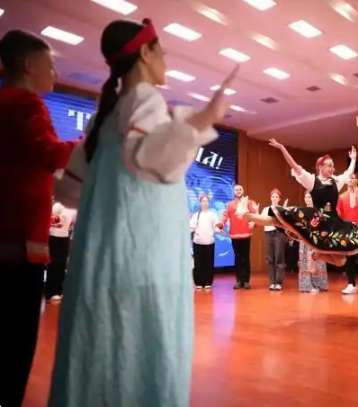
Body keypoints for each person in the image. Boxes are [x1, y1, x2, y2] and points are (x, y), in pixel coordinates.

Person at [48, 19, 237, 407]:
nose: (165, 59)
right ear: (146, 54)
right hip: (142, 264)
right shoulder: (145, 99)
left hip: (100, 265)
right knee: (140, 355)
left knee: (98, 354)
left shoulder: (105, 118)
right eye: (162, 51)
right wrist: (205, 117)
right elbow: (152, 157)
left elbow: (69, 189)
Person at [0, 29, 76, 407]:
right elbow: (51, 154)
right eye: (51, 65)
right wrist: (94, 143)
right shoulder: (26, 104)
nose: (55, 73)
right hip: (19, 243)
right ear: (29, 65)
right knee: (17, 337)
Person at [241, 139, 358, 267]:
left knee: (341, 262)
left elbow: (348, 173)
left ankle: (317, 255)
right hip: (315, 220)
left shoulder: (336, 182)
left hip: (332, 224)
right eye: (329, 165)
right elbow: (295, 166)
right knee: (276, 220)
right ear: (320, 167)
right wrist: (281, 148)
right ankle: (246, 214)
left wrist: (353, 159)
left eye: (333, 166)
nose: (333, 168)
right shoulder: (312, 180)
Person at [217, 184, 257, 289]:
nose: (238, 191)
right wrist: (221, 223)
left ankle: (246, 281)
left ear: (242, 191)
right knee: (238, 258)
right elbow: (225, 216)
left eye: (240, 189)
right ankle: (239, 280)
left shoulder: (248, 202)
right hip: (234, 234)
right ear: (234, 192)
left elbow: (254, 215)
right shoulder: (230, 204)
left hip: (246, 233)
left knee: (245, 258)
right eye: (236, 190)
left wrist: (253, 223)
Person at [298, 192, 329, 292]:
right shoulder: (301, 211)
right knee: (306, 261)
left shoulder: (318, 211)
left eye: (310, 197)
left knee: (318, 260)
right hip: (305, 239)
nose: (308, 199)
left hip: (316, 239)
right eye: (306, 197)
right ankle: (306, 285)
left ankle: (319, 284)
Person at [46, 202, 77, 302]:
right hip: (53, 236)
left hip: (64, 237)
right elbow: (53, 215)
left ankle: (57, 291)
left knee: (61, 264)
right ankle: (50, 292)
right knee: (53, 264)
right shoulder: (57, 205)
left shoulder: (72, 210)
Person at [190, 194, 220, 290]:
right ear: (200, 203)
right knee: (198, 263)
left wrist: (220, 228)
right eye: (203, 201)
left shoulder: (213, 215)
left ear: (209, 202)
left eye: (206, 201)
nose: (205, 203)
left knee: (208, 263)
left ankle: (208, 282)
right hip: (197, 242)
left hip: (209, 242)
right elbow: (191, 227)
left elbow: (216, 228)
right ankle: (198, 282)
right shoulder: (196, 215)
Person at [261, 189, 288, 290]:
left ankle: (278, 282)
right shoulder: (265, 209)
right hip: (268, 233)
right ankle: (272, 282)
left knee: (279, 257)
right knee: (270, 258)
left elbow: (285, 223)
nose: (274, 198)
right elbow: (261, 220)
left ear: (279, 199)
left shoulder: (282, 209)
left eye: (276, 197)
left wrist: (284, 211)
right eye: (273, 196)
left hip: (279, 233)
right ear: (270, 198)